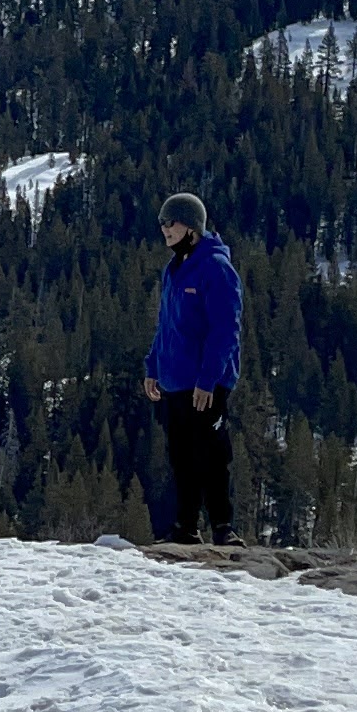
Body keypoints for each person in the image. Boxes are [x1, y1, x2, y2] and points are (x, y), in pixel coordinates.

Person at [142, 191, 242, 544]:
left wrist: (208, 380)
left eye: (171, 222)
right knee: (181, 457)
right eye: (162, 223)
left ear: (192, 228)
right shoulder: (174, 270)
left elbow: (226, 330)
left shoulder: (216, 268)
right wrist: (152, 366)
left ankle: (223, 528)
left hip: (205, 384)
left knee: (213, 456)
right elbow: (165, 325)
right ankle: (186, 528)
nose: (165, 229)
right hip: (174, 382)